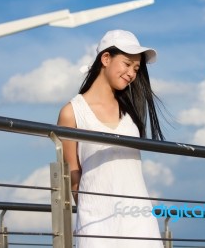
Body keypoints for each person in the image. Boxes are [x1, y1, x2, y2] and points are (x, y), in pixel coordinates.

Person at [57, 29, 165, 248]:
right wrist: (91, 212)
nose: (132, 73)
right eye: (127, 64)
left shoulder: (130, 112)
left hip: (140, 221)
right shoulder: (72, 112)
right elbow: (72, 174)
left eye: (136, 68)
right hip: (97, 223)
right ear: (105, 58)